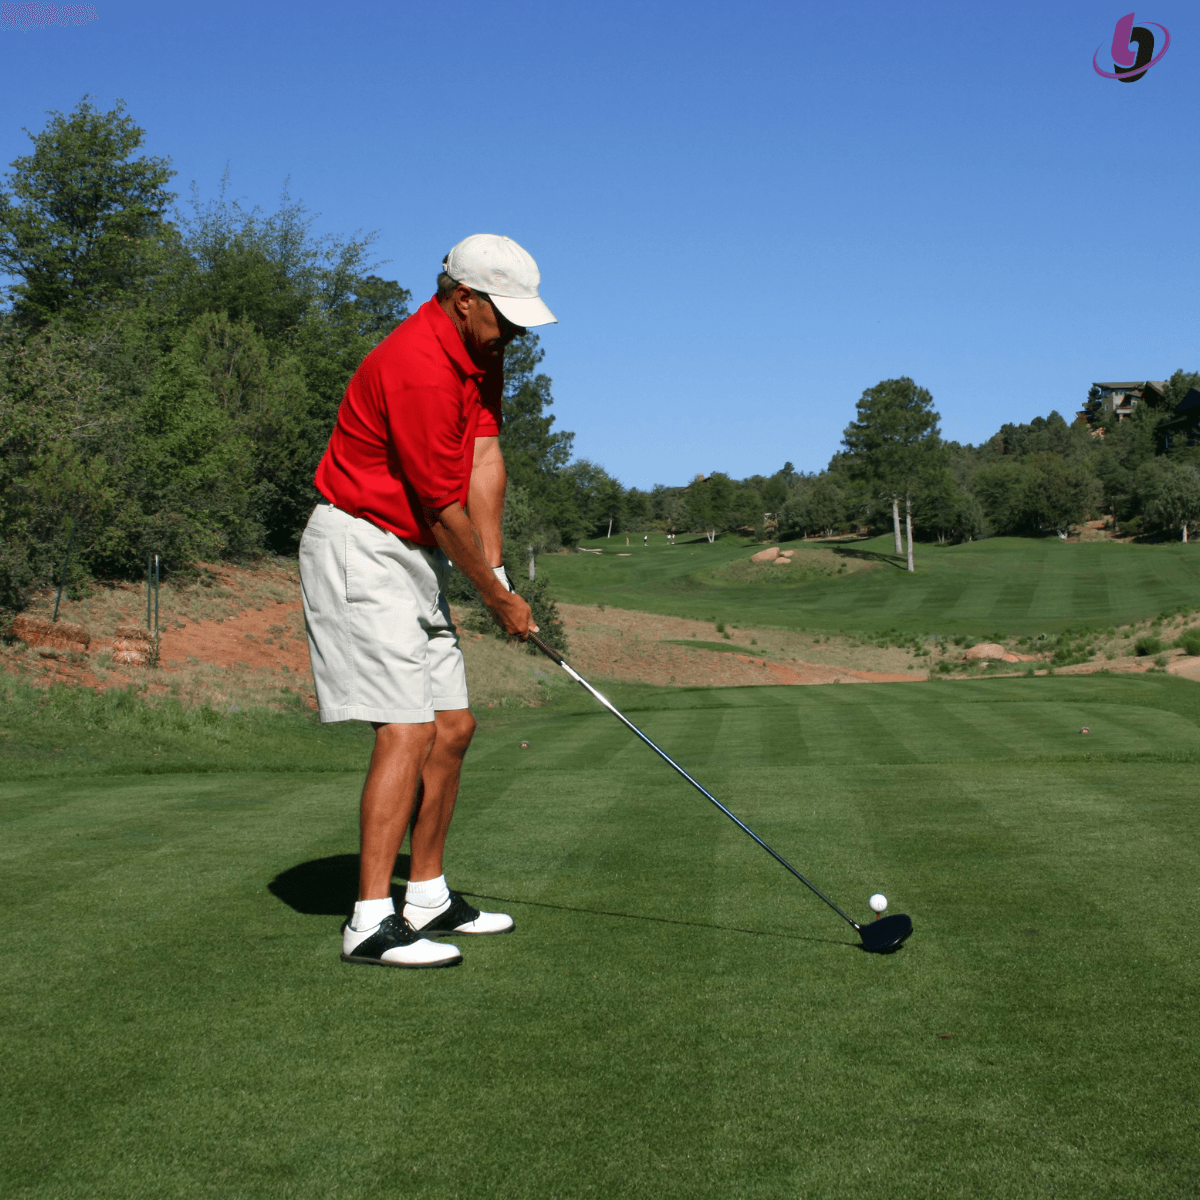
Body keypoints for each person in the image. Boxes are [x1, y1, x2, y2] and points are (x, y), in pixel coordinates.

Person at [299, 234, 556, 969]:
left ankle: (428, 893)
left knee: (453, 726)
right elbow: (441, 506)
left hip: (409, 552)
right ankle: (371, 922)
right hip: (360, 544)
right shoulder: (417, 366)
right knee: (406, 729)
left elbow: (483, 456)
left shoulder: (482, 354)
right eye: (503, 317)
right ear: (462, 298)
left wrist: (499, 567)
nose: (513, 333)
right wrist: (495, 601)